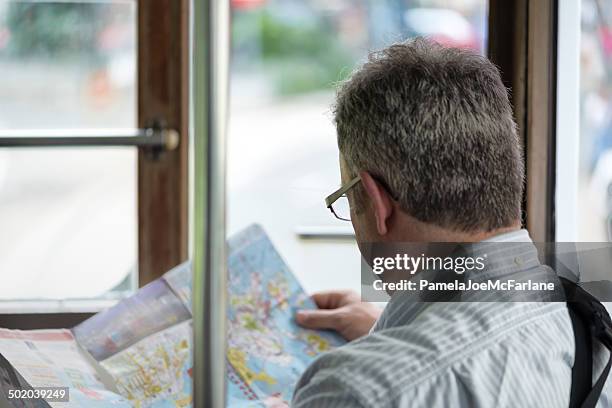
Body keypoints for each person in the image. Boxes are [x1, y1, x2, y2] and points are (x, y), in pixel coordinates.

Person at [291, 38, 612, 407]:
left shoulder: (353, 390)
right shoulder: (592, 329)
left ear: (378, 203)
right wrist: (390, 331)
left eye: (346, 197)